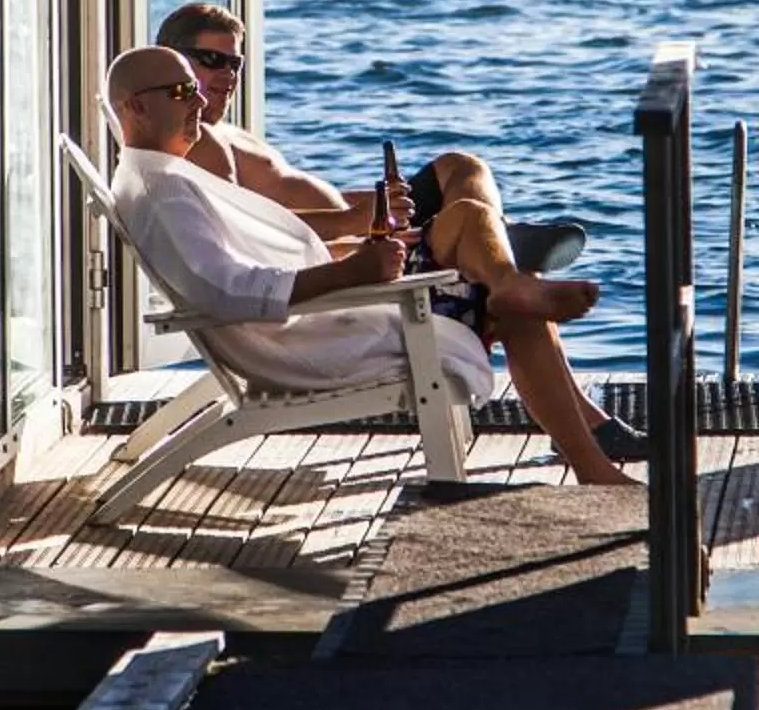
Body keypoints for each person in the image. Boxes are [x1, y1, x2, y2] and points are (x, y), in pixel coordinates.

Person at [105, 45, 636, 487]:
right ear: (136, 109)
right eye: (182, 91)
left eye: (196, 87)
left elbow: (244, 267)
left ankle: (510, 282)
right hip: (326, 335)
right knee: (503, 283)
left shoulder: (161, 175)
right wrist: (352, 272)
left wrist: (354, 252)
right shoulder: (164, 191)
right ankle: (584, 447)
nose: (200, 97)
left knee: (470, 214)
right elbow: (225, 291)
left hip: (336, 305)